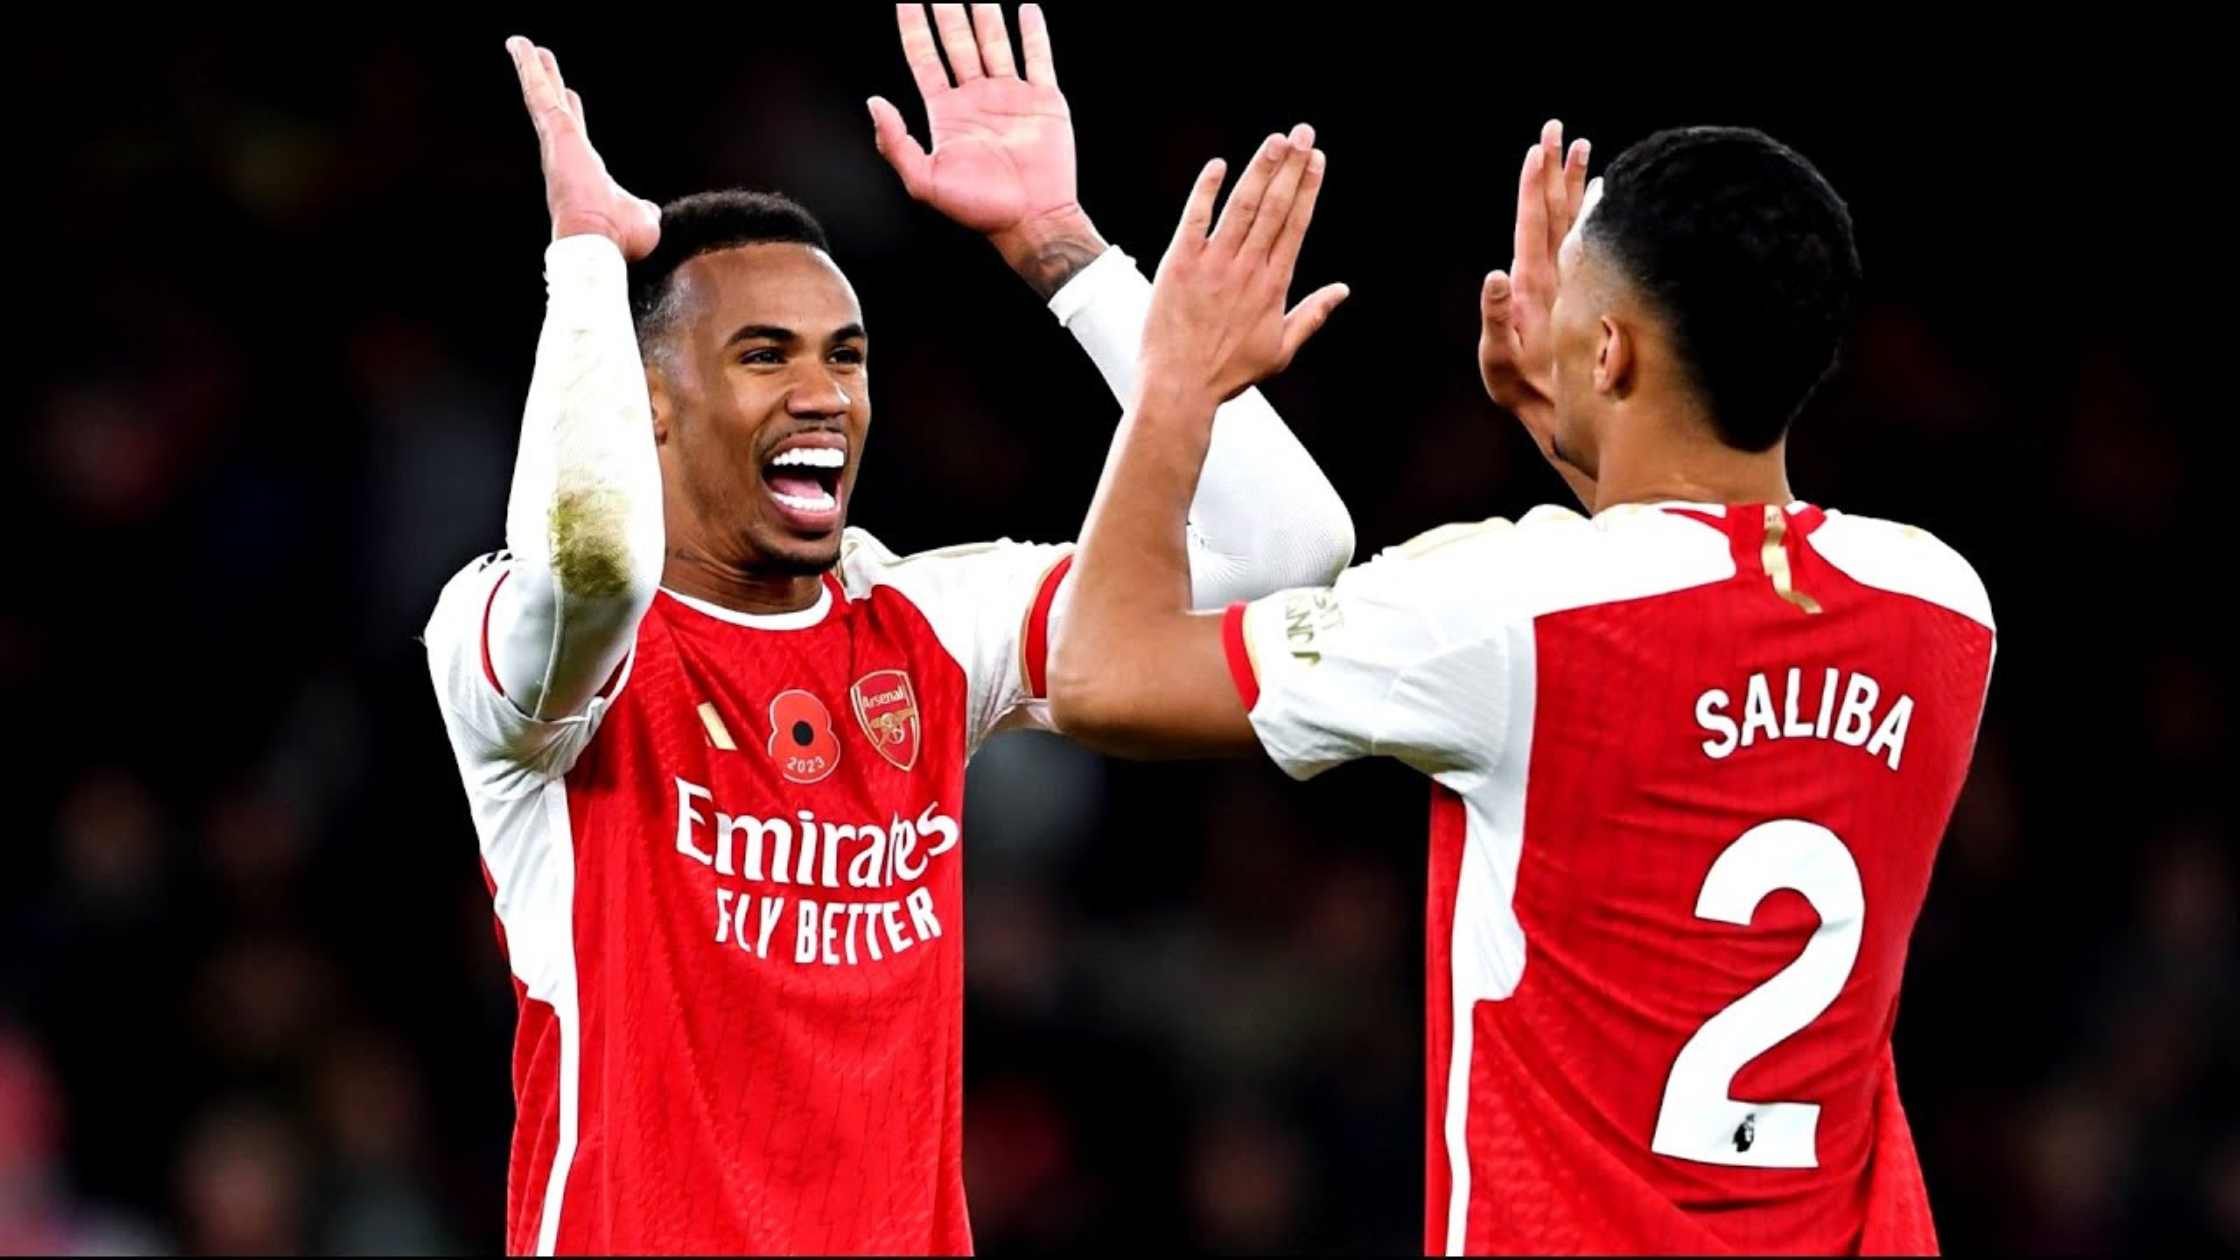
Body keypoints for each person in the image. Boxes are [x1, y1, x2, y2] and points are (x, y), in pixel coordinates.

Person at [420, 7, 1353, 1255]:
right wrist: (586, 268)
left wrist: (1063, 255)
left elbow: (1284, 555)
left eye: (845, 357)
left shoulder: (923, 628)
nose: (822, 395)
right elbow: (588, 567)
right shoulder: (525, 658)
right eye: (763, 356)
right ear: (649, 406)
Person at [1049, 118, 1997, 1255]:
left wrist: (1175, 384)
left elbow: (1102, 671)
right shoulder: (1939, 607)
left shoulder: (1502, 606)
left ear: (1608, 351)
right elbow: (1692, 621)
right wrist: (1574, 419)